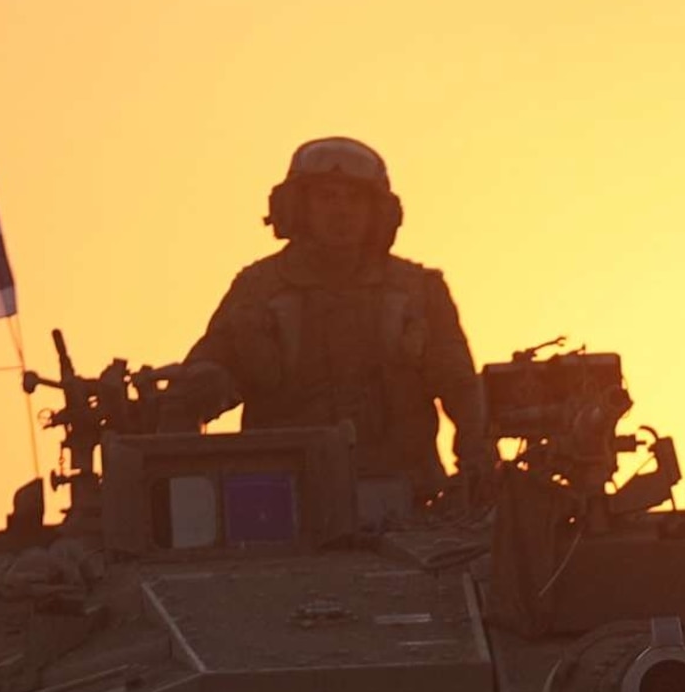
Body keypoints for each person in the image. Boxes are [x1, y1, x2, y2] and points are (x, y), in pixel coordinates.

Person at [172, 138, 489, 503]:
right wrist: (202, 383)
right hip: (280, 504)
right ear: (298, 208)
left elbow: (460, 385)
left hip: (411, 498)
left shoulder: (418, 292)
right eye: (327, 197)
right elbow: (210, 368)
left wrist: (476, 460)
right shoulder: (258, 290)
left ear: (377, 212)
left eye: (354, 199)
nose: (342, 211)